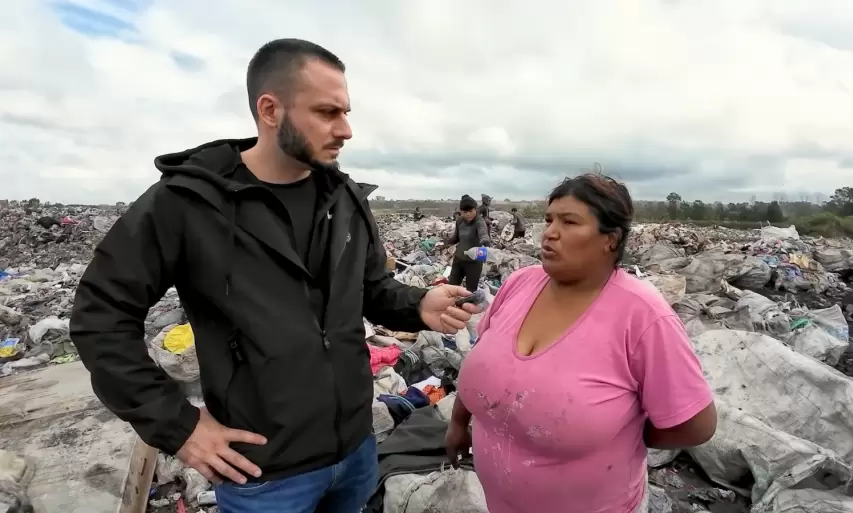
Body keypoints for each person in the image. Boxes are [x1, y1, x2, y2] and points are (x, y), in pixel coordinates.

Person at [70, 39, 481, 513]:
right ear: (270, 110)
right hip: (264, 476)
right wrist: (177, 425)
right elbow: (100, 318)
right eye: (327, 112)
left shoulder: (346, 201)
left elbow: (370, 289)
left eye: (346, 112)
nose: (346, 129)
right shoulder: (187, 204)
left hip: (355, 451)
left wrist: (416, 304)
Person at [445, 174, 717, 513]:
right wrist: (458, 423)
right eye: (549, 219)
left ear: (610, 240)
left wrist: (625, 434)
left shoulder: (643, 316)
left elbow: (697, 424)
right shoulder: (520, 284)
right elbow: (482, 360)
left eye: (569, 222)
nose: (550, 232)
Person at [446, 195, 491, 292]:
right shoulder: (459, 221)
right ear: (461, 212)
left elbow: (483, 233)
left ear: (475, 209)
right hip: (459, 259)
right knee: (452, 287)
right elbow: (456, 237)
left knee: (470, 291)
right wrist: (446, 241)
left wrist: (485, 241)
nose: (468, 214)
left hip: (474, 262)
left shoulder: (479, 221)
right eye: (465, 212)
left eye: (471, 211)